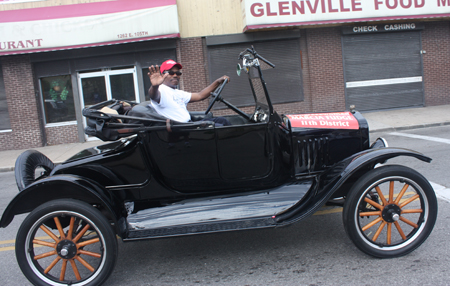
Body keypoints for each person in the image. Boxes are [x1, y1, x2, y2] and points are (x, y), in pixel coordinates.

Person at [147, 59, 231, 126]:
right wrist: (154, 86)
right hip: (181, 130)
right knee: (219, 128)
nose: (175, 75)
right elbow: (154, 96)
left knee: (223, 121)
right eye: (171, 73)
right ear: (162, 75)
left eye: (178, 73)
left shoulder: (177, 92)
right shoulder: (160, 90)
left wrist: (217, 82)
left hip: (189, 124)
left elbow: (200, 95)